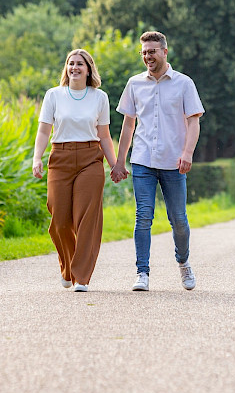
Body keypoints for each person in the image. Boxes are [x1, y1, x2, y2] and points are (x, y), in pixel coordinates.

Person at [111, 31, 204, 292]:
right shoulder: (134, 84)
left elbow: (193, 121)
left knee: (179, 219)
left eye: (151, 51)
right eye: (143, 52)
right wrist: (120, 162)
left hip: (174, 161)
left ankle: (183, 262)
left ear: (164, 51)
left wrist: (188, 153)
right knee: (143, 217)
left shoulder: (184, 83)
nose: (147, 56)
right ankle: (142, 272)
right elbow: (128, 125)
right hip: (142, 160)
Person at [32, 49, 118, 293]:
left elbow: (104, 135)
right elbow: (43, 130)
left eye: (80, 64)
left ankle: (82, 277)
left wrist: (114, 165)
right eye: (71, 63)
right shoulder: (54, 95)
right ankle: (68, 267)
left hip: (91, 159)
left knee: (86, 217)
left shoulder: (99, 97)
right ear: (66, 68)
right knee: (59, 219)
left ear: (89, 69)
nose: (75, 68)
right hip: (60, 157)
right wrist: (37, 158)